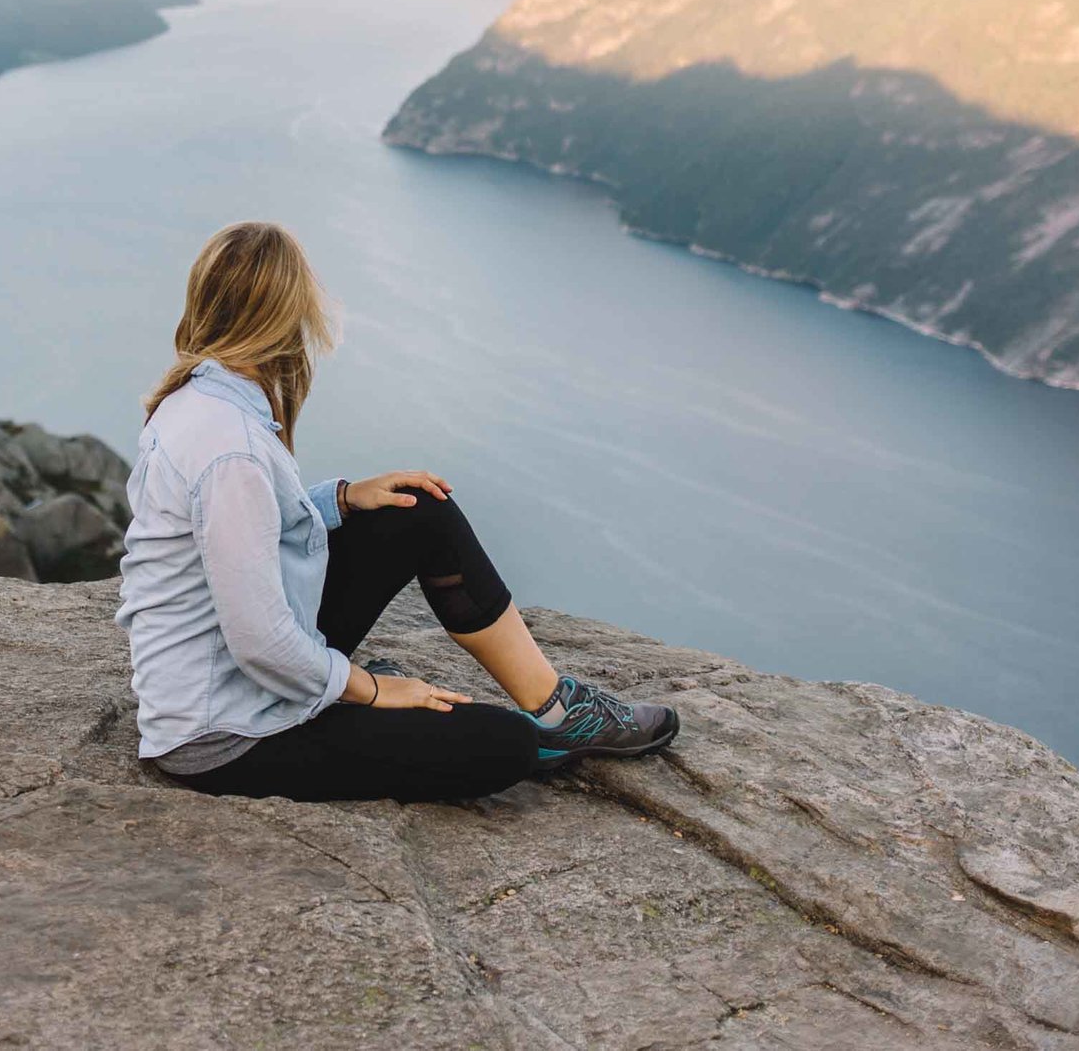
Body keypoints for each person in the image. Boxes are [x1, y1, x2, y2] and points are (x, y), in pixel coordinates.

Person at [115, 220, 678, 803]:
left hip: (241, 683)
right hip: (229, 734)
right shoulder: (230, 445)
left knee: (417, 510)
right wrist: (371, 690)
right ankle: (509, 722)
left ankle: (559, 707)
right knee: (503, 744)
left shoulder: (198, 401)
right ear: (285, 318)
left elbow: (236, 534)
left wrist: (341, 499)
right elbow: (260, 642)